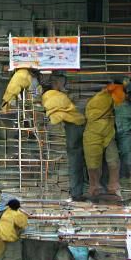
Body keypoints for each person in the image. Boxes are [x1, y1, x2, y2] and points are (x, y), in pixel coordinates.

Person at [41, 73, 86, 201]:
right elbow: (69, 111)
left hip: (60, 132)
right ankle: (76, 192)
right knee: (76, 161)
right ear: (55, 85)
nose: (63, 85)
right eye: (60, 82)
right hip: (72, 128)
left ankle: (74, 192)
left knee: (73, 161)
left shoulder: (45, 99)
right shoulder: (59, 97)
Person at [83, 85, 122, 199]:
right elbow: (92, 115)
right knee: (93, 163)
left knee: (113, 160)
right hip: (93, 134)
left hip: (108, 133)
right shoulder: (98, 101)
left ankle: (113, 187)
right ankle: (94, 187)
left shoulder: (110, 100)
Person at [114, 79, 131, 199]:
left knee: (127, 161)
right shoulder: (116, 102)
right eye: (130, 94)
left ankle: (123, 186)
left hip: (125, 135)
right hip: (113, 134)